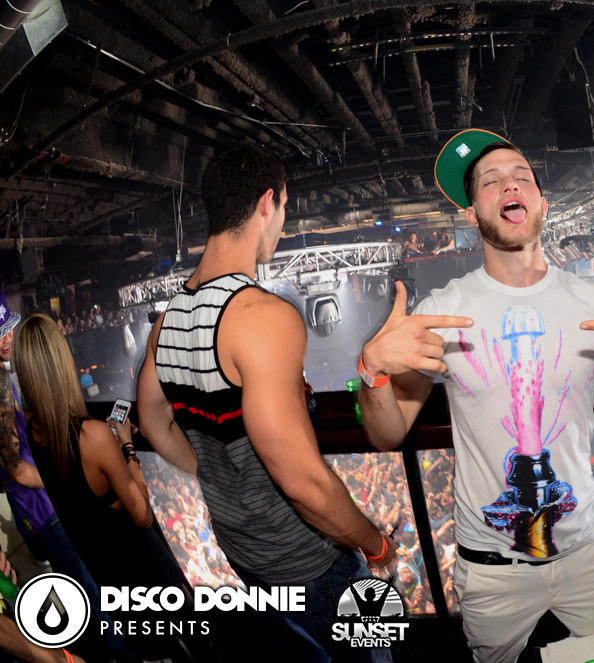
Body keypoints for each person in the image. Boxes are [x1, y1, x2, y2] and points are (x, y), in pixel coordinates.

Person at [359, 129, 594, 662]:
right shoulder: (441, 311)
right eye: (490, 181)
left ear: (541, 203)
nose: (509, 185)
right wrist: (373, 371)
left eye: (521, 176)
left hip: (587, 555)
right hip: (491, 571)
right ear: (472, 214)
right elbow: (386, 434)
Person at [136, 141, 395, 662]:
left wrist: (220, 473)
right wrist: (376, 545)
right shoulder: (262, 317)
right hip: (311, 564)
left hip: (245, 553)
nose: (282, 222)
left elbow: (153, 422)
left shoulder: (166, 323)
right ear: (266, 203)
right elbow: (303, 484)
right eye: (284, 207)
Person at [14, 313, 198, 661]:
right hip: (142, 570)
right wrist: (126, 446)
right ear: (61, 362)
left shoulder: (35, 428)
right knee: (195, 648)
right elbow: (142, 516)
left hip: (110, 578)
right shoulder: (93, 436)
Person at [0, 294, 135, 663]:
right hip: (44, 513)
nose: (7, 338)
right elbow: (17, 469)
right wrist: (68, 479)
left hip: (44, 510)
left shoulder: (6, 379)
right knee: (94, 597)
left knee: (91, 593)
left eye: (8, 328)